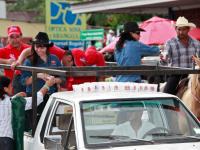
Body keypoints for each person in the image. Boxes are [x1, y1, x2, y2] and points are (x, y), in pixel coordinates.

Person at [0, 75, 55, 150]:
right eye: (10, 86)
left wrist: (15, 97)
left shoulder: (9, 101)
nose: (12, 87)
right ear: (5, 89)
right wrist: (47, 85)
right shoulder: (13, 103)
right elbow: (36, 100)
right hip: (5, 141)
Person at [161, 16, 200, 95]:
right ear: (175, 29)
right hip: (176, 74)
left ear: (188, 29)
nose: (181, 32)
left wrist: (198, 60)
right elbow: (164, 59)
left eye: (184, 29)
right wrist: (163, 58)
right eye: (179, 29)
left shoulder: (196, 43)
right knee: (167, 93)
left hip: (192, 74)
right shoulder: (170, 43)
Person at [0, 25, 30, 94]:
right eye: (12, 37)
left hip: (29, 86)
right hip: (11, 89)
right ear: (8, 38)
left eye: (17, 37)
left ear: (21, 37)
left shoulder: (28, 48)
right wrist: (6, 61)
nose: (15, 40)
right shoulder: (4, 50)